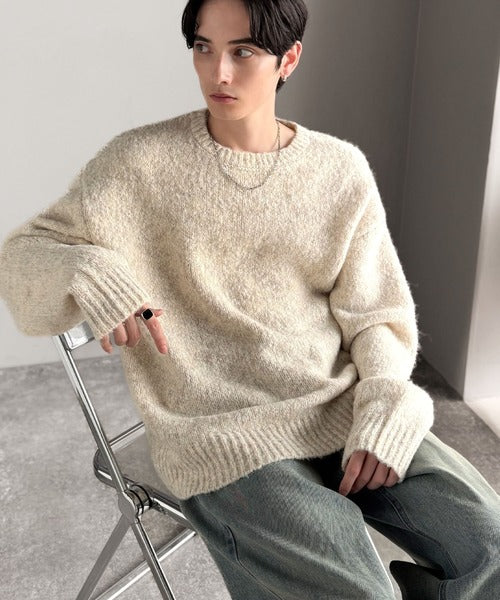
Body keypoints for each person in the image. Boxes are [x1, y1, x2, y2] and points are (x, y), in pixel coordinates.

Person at [0, 0, 499, 598]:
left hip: (342, 403)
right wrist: (95, 271)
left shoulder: (339, 171)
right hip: (221, 431)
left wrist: (387, 397)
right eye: (203, 48)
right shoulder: (137, 164)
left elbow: (377, 315)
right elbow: (23, 254)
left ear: (288, 59)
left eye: (243, 52)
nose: (219, 73)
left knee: (491, 547)